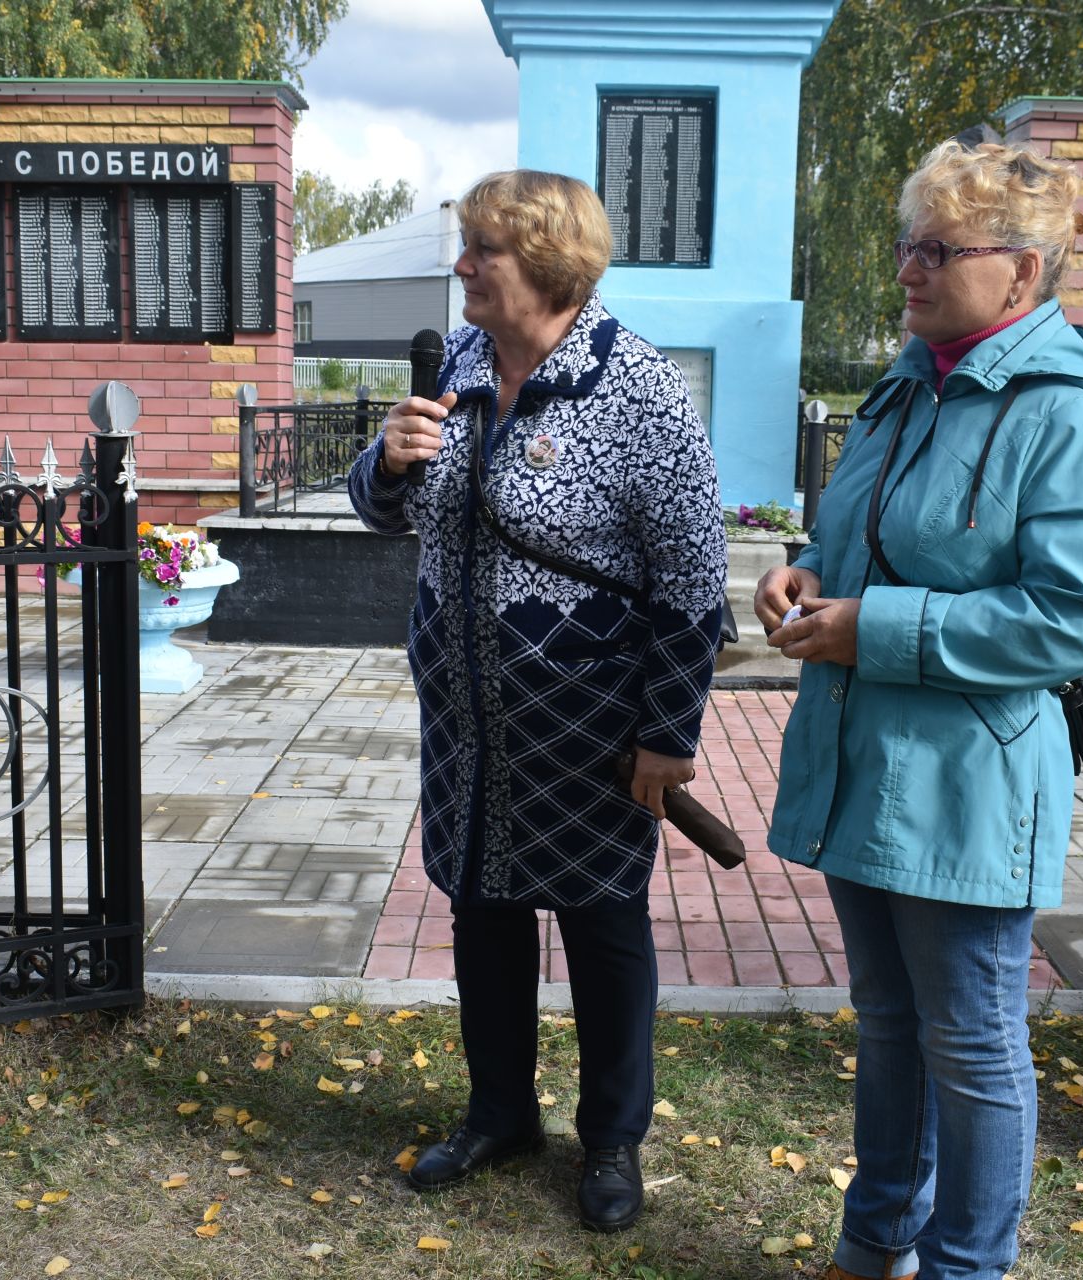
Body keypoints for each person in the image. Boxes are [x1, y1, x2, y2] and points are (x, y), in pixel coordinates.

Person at [756, 140, 1083, 1280]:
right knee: (887, 1022)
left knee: (971, 1042)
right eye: (905, 247)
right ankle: (876, 1242)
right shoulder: (904, 383)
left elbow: (1075, 619)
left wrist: (871, 625)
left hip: (969, 782)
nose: (909, 272)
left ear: (1020, 274)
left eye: (936, 251)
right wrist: (803, 571)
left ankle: (970, 1265)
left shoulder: (1065, 416)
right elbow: (857, 543)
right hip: (862, 759)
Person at [347, 169, 724, 1233]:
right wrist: (386, 459)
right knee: (484, 912)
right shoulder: (458, 363)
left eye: (483, 251)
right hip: (467, 715)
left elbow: (693, 575)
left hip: (589, 723)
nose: (461, 266)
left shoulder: (637, 388)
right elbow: (380, 508)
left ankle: (611, 1138)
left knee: (604, 925)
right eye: (466, 246)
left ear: (550, 266)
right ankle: (500, 1110)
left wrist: (668, 732)